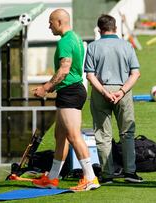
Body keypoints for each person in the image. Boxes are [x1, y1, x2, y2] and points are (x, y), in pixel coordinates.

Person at [32, 9, 100, 191]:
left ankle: (90, 178)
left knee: (73, 135)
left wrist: (45, 88)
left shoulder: (65, 41)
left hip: (70, 93)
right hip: (70, 91)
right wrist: (52, 88)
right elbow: (67, 72)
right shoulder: (75, 38)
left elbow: (64, 70)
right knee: (60, 136)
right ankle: (52, 178)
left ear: (60, 22)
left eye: (50, 22)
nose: (49, 26)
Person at [84, 14, 143, 183]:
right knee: (127, 133)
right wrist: (122, 91)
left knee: (103, 135)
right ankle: (130, 173)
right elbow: (135, 73)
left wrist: (104, 92)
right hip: (122, 90)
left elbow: (90, 75)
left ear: (99, 29)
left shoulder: (93, 47)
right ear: (115, 28)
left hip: (100, 91)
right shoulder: (126, 45)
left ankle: (107, 174)